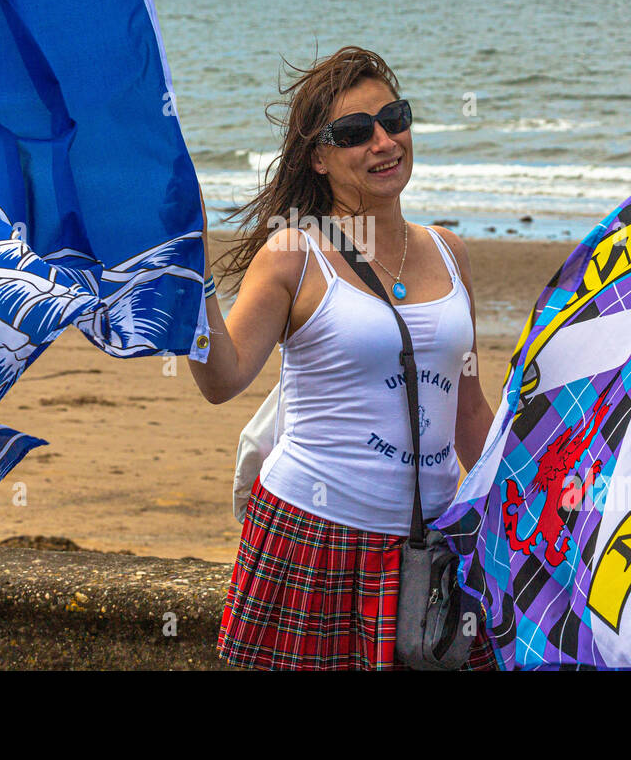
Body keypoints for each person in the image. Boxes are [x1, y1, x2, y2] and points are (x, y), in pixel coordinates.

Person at [187, 45, 496, 670]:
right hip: (314, 541)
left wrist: (531, 508)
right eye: (355, 132)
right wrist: (185, 284)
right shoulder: (294, 255)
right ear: (320, 158)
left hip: (434, 546)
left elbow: (467, 413)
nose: (384, 142)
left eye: (395, 118)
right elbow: (222, 379)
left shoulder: (450, 251)